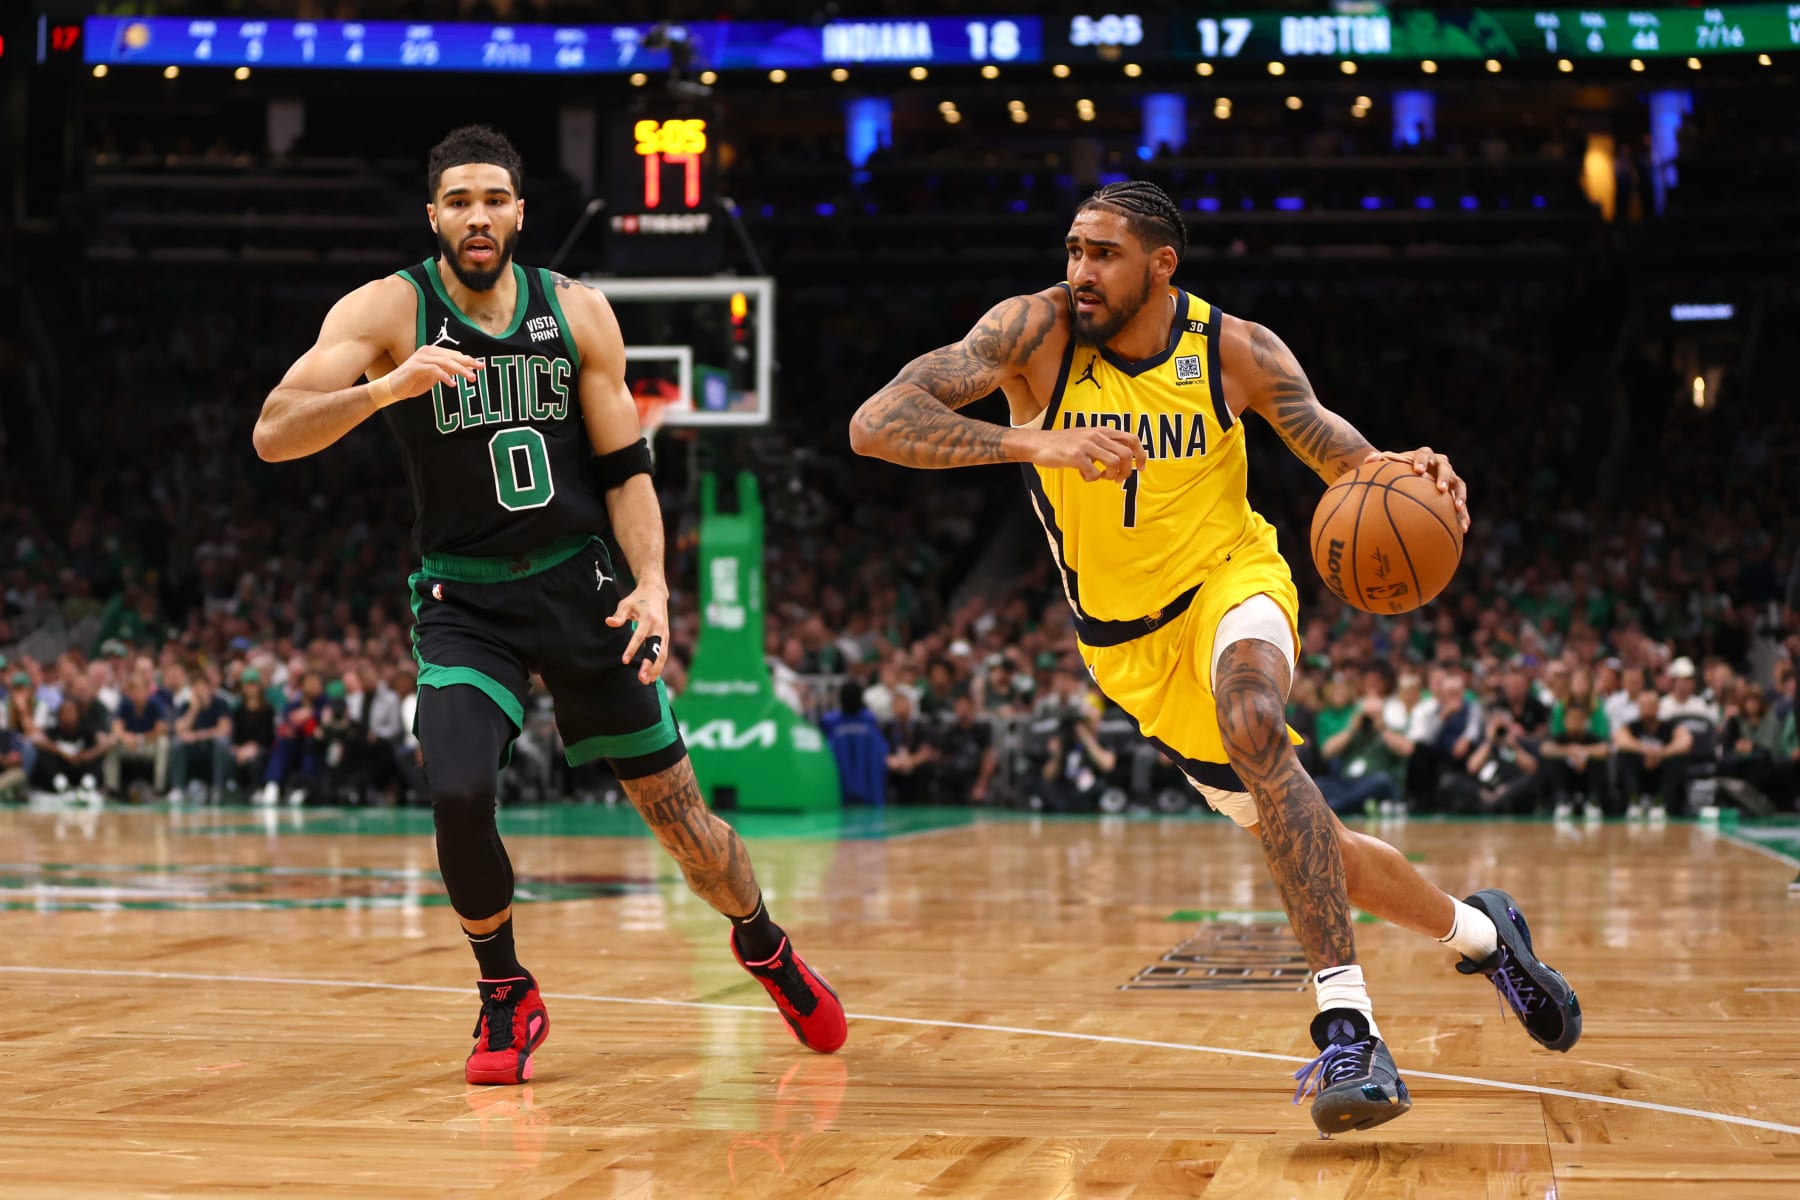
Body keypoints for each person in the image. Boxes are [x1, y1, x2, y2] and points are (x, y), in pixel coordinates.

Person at [849, 180, 1579, 1134]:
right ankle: (1487, 935)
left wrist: (1407, 470)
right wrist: (1039, 441)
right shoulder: (1033, 334)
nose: (1079, 273)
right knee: (1323, 848)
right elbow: (876, 422)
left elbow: (1341, 458)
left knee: (1252, 721)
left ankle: (1345, 1027)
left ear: (1162, 264)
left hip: (1234, 583)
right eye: (1073, 249)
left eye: (1103, 254)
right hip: (1129, 651)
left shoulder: (1235, 349)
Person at [253, 126, 843, 1084]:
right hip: (465, 597)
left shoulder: (578, 312)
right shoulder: (386, 311)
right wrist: (388, 388)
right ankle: (505, 993)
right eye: (457, 201)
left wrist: (652, 585)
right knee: (457, 790)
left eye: (494, 199)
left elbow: (626, 472)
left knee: (683, 823)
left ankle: (763, 942)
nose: (476, 216)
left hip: (583, 585)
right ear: (433, 215)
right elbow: (274, 433)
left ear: (521, 212)